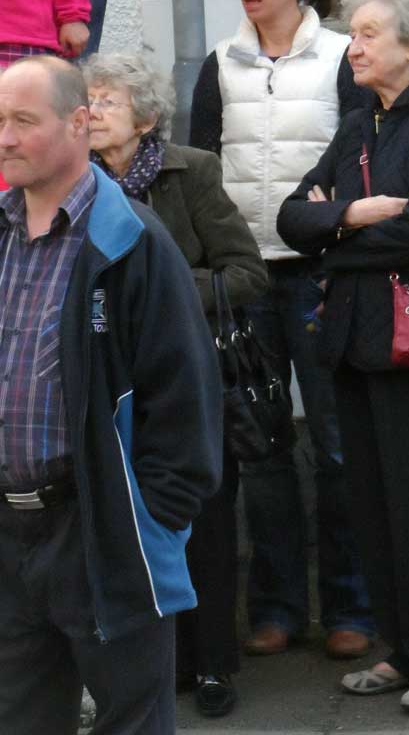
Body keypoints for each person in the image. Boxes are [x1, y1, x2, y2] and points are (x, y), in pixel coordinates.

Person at [278, 0, 409, 715]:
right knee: (372, 504)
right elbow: (289, 218)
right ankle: (403, 649)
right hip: (351, 339)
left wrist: (336, 233)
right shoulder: (358, 119)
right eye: (354, 33)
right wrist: (354, 217)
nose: (353, 46)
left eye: (368, 34)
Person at [0, 55, 222, 735]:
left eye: (23, 121)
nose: (4, 137)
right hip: (9, 535)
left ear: (79, 123)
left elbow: (185, 397)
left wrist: (152, 521)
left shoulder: (133, 242)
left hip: (99, 526)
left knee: (132, 718)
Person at [190, 0, 374, 661]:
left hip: (322, 272)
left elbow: (359, 156)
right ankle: (274, 606)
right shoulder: (219, 64)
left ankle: (352, 607)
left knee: (335, 446)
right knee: (261, 449)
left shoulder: (339, 58)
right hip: (246, 281)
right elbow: (200, 170)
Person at [84, 52, 268, 719]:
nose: (92, 112)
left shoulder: (190, 173)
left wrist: (157, 292)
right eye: (88, 100)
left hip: (186, 378)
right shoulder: (70, 183)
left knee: (204, 524)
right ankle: (134, 669)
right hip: (105, 391)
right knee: (119, 526)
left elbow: (246, 273)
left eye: (107, 101)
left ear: (147, 116)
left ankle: (212, 662)